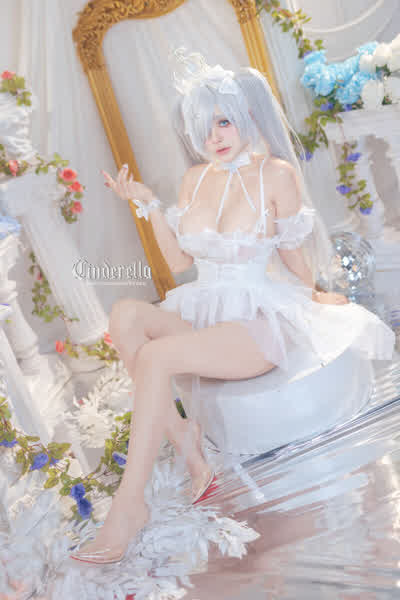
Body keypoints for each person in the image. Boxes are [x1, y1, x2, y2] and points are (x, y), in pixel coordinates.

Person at [70, 49, 395, 564]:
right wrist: (146, 203)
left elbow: (292, 254)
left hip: (254, 322)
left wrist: (315, 294)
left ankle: (129, 508)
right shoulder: (195, 179)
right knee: (125, 314)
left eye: (224, 122)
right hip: (206, 310)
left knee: (156, 356)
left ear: (246, 116)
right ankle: (192, 451)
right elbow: (179, 262)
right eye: (203, 128)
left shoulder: (276, 174)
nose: (214, 137)